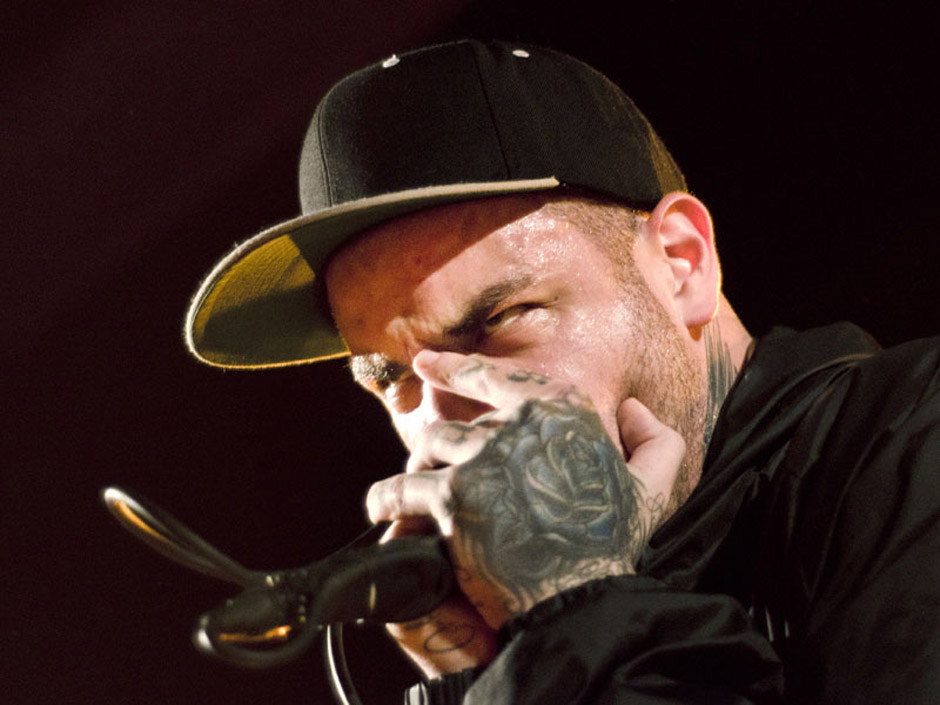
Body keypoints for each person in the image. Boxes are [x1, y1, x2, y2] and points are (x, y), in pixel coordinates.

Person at [184, 40, 940, 704]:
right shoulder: (541, 621)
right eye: (391, 377)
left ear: (682, 265)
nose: (440, 420)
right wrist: (490, 676)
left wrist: (577, 605)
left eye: (500, 319)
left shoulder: (916, 440)